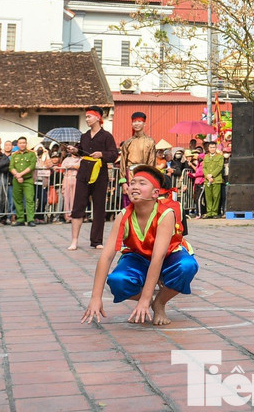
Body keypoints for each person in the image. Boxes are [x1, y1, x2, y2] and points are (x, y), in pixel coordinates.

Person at [81, 164, 198, 327]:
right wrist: (95, 298)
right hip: (138, 257)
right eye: (133, 182)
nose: (135, 186)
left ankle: (159, 302)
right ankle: (148, 298)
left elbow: (159, 257)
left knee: (187, 266)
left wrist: (144, 300)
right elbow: (106, 256)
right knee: (117, 280)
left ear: (155, 193)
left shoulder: (166, 214)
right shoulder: (123, 215)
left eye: (142, 183)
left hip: (168, 256)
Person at [69, 107, 119, 251]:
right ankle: (74, 240)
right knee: (78, 207)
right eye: (86, 117)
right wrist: (75, 150)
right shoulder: (84, 136)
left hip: (100, 174)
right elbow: (80, 150)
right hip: (84, 172)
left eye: (89, 116)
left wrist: (102, 154)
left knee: (99, 208)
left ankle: (96, 241)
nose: (87, 119)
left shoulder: (106, 136)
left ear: (98, 118)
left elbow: (113, 154)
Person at [9, 137, 37, 226]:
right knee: (18, 200)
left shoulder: (31, 154)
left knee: (29, 200)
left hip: (27, 179)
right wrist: (17, 175)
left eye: (24, 143)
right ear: (17, 144)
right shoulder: (14, 155)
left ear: (26, 144)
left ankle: (30, 219)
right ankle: (20, 219)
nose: (22, 144)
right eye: (20, 143)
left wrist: (20, 174)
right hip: (16, 179)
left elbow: (32, 166)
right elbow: (11, 167)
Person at [200, 140, 225, 219]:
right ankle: (209, 212)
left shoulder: (220, 156)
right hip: (207, 180)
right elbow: (204, 168)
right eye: (211, 147)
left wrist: (212, 175)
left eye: (214, 147)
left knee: (216, 196)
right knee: (208, 196)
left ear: (216, 148)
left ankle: (214, 212)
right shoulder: (206, 156)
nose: (212, 149)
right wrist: (207, 176)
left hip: (216, 179)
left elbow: (220, 167)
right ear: (208, 148)